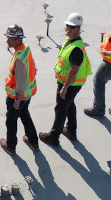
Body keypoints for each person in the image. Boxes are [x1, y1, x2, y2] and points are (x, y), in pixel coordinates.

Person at [39, 13, 91, 145]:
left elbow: (74, 70)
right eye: (67, 26)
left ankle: (53, 136)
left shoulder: (76, 49)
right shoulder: (70, 41)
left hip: (70, 84)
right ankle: (71, 130)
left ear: (78, 29)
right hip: (68, 82)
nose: (68, 29)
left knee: (60, 108)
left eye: (72, 27)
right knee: (69, 104)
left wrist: (64, 88)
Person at [0, 24, 39, 155]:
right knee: (25, 115)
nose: (7, 41)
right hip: (27, 95)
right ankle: (33, 141)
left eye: (10, 38)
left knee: (11, 120)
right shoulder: (25, 49)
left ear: (18, 39)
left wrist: (17, 100)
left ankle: (10, 146)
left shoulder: (19, 58)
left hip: (18, 97)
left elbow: (21, 82)